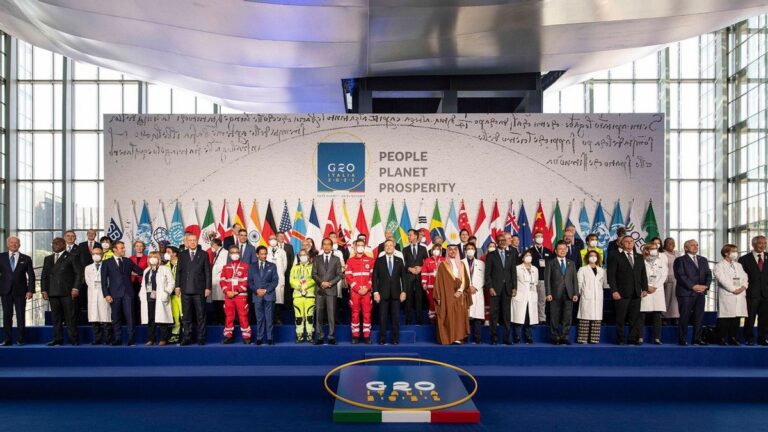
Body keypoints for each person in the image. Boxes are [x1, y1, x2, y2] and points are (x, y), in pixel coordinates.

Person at [101, 240, 144, 346]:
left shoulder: (128, 261)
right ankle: (118, 338)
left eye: (124, 247)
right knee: (116, 317)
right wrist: (106, 294)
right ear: (114, 249)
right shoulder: (106, 262)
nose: (124, 249)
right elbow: (103, 280)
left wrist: (154, 266)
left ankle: (131, 338)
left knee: (130, 317)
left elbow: (140, 271)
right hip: (114, 294)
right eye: (122, 248)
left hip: (128, 293)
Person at [41, 237, 83, 346]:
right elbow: (44, 275)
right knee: (55, 318)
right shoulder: (48, 258)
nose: (55, 245)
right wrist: (44, 290)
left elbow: (79, 274)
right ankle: (57, 339)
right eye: (53, 243)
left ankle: (73, 339)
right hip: (52, 292)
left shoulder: (72, 257)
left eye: (57, 243)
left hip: (67, 292)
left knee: (70, 317)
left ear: (64, 245)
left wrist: (75, 288)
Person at [608, 235, 648, 345]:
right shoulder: (615, 256)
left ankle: (632, 339)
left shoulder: (639, 257)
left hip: (636, 292)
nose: (629, 243)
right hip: (621, 293)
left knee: (634, 318)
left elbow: (643, 274)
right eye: (626, 241)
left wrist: (645, 288)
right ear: (622, 244)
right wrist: (614, 291)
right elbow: (611, 276)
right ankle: (620, 339)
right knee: (620, 318)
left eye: (631, 241)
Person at [175, 233, 212, 346]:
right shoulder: (182, 255)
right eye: (190, 240)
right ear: (186, 242)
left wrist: (208, 287)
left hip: (199, 290)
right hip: (185, 289)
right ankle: (186, 337)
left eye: (194, 240)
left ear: (197, 241)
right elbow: (178, 272)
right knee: (186, 316)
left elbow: (207, 272)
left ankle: (201, 338)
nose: (192, 242)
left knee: (201, 315)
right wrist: (177, 286)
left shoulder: (204, 254)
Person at [673, 239, 712, 346]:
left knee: (699, 317)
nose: (695, 247)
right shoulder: (680, 260)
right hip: (686, 293)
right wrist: (693, 286)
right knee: (684, 317)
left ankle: (697, 339)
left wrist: (706, 286)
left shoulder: (703, 260)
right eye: (692, 245)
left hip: (701, 293)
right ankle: (682, 339)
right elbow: (680, 276)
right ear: (686, 248)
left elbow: (709, 274)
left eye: (697, 245)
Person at [434, 245, 472, 345]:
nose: (452, 251)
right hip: (447, 295)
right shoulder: (442, 265)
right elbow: (438, 281)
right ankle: (450, 337)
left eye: (455, 250)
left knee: (459, 316)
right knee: (449, 316)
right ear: (447, 252)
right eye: (450, 250)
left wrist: (460, 290)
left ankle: (458, 337)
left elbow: (465, 279)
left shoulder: (462, 264)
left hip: (460, 295)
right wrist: (438, 296)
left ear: (457, 251)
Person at [0, 236, 35, 345]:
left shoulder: (26, 258)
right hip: (5, 291)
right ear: (7, 244)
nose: (14, 244)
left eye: (16, 243)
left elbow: (31, 276)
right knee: (7, 316)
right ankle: (7, 339)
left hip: (21, 292)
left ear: (19, 245)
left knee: (20, 316)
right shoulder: (1, 257)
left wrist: (30, 290)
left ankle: (21, 339)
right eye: (11, 242)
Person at [484, 234, 517, 345]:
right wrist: (490, 287)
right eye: (500, 240)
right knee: (494, 314)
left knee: (507, 315)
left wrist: (514, 287)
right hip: (495, 289)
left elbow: (513, 272)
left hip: (507, 289)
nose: (502, 242)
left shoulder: (511, 254)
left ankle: (507, 338)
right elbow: (487, 274)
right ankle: (494, 338)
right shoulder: (491, 255)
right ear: (497, 242)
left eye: (504, 240)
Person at [544, 241, 579, 345]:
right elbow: (547, 279)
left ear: (567, 250)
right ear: (556, 251)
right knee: (554, 316)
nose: (562, 251)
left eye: (564, 249)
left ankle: (564, 336)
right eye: (560, 249)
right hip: (555, 294)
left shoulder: (571, 263)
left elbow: (574, 279)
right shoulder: (551, 263)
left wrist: (576, 293)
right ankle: (555, 336)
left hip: (569, 293)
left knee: (567, 317)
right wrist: (548, 293)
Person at [373, 240, 406, 345]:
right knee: (382, 318)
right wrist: (375, 292)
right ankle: (382, 339)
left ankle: (395, 339)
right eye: (386, 245)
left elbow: (404, 278)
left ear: (394, 247)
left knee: (395, 318)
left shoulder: (399, 260)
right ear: (384, 247)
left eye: (391, 245)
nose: (388, 247)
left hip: (396, 294)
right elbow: (374, 277)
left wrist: (404, 291)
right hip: (382, 294)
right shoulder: (379, 260)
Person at [714, 244, 748, 345]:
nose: (736, 253)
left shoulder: (738, 265)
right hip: (728, 294)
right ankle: (722, 338)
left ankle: (733, 338)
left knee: (736, 317)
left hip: (740, 293)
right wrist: (733, 290)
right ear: (726, 253)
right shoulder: (719, 266)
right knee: (725, 318)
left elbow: (745, 277)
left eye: (736, 251)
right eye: (733, 251)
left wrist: (743, 287)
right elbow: (722, 280)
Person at [139, 251, 174, 346]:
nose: (152, 259)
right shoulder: (146, 270)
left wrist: (167, 292)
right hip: (149, 297)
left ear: (158, 259)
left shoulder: (165, 269)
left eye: (155, 257)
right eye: (150, 257)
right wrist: (141, 294)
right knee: (151, 319)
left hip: (161, 297)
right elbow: (143, 284)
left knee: (162, 319)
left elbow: (171, 282)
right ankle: (151, 339)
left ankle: (163, 339)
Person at [312, 238, 343, 345]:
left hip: (331, 290)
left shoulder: (336, 259)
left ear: (331, 246)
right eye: (324, 244)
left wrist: (329, 283)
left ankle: (331, 337)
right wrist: (321, 283)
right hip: (319, 290)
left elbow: (339, 275)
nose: (326, 246)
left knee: (331, 315)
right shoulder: (317, 259)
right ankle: (319, 337)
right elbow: (313, 274)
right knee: (318, 315)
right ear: (322, 246)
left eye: (328, 244)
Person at [738, 235, 768, 345]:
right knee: (750, 318)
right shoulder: (744, 259)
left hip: (766, 295)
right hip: (751, 294)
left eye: (765, 243)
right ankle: (749, 338)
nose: (763, 245)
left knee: (765, 319)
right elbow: (741, 277)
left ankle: (763, 338)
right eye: (760, 243)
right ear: (753, 244)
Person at [219, 245, 252, 345]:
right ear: (229, 254)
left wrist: (236, 291)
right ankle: (228, 336)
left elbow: (246, 281)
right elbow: (222, 281)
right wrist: (227, 292)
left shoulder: (246, 266)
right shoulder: (225, 267)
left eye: (237, 252)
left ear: (240, 254)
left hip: (241, 296)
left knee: (243, 316)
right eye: (233, 252)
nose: (235, 254)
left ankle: (246, 336)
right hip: (228, 296)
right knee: (229, 316)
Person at [345, 239, 374, 344]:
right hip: (355, 293)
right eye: (358, 245)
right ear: (355, 247)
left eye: (362, 245)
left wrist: (367, 288)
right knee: (355, 314)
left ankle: (367, 336)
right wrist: (357, 289)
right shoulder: (350, 261)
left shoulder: (371, 260)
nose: (360, 247)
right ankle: (355, 336)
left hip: (367, 292)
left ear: (364, 246)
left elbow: (373, 277)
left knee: (367, 314)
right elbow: (348, 276)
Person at [249, 245, 279, 345]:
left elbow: (275, 281)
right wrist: (256, 290)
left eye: (265, 254)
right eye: (262, 254)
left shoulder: (272, 266)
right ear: (257, 255)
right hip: (257, 295)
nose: (264, 256)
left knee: (269, 318)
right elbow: (250, 282)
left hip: (269, 295)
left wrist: (266, 290)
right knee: (259, 318)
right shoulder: (252, 266)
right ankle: (259, 338)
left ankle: (270, 338)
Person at [640, 243, 668, 344]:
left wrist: (655, 286)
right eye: (652, 248)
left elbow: (664, 275)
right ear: (646, 250)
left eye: (656, 248)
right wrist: (646, 287)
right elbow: (638, 276)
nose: (655, 250)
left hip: (657, 289)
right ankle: (640, 337)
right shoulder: (641, 261)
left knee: (657, 314)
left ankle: (657, 338)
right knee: (642, 314)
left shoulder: (661, 261)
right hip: (645, 289)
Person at [84, 245, 111, 345]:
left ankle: (107, 339)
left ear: (102, 255)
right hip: (93, 294)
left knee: (105, 317)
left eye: (99, 254)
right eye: (94, 253)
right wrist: (96, 286)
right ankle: (97, 338)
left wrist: (103, 287)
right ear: (92, 255)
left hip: (104, 293)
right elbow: (88, 281)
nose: (96, 255)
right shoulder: (88, 268)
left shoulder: (107, 266)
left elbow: (109, 280)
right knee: (94, 317)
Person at [577, 250, 605, 344]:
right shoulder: (582, 269)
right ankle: (582, 339)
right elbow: (579, 283)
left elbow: (602, 283)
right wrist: (580, 294)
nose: (593, 257)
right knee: (585, 317)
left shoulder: (601, 270)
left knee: (597, 318)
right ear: (587, 258)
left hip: (598, 297)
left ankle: (594, 339)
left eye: (595, 256)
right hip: (586, 296)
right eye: (591, 256)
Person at [512, 249, 539, 344]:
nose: (528, 257)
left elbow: (536, 282)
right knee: (519, 317)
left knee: (529, 317)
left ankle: (529, 336)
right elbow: (513, 282)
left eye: (530, 255)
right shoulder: (517, 268)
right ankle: (517, 336)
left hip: (531, 296)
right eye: (526, 255)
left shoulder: (535, 269)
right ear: (522, 258)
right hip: (520, 295)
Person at [402, 229, 428, 325]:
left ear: (416, 236)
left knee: (419, 299)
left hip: (420, 277)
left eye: (410, 235)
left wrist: (421, 268)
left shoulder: (423, 249)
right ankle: (408, 321)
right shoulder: (405, 249)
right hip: (409, 277)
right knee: (408, 299)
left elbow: (427, 263)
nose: (408, 236)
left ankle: (419, 321)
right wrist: (409, 268)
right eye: (408, 235)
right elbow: (402, 264)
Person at [290, 249, 315, 343]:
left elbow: (314, 279)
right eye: (301, 255)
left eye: (304, 254)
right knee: (299, 317)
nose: (303, 256)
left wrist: (306, 286)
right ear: (299, 257)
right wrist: (299, 287)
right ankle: (299, 335)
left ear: (308, 256)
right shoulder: (295, 267)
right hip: (298, 295)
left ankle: (309, 335)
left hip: (310, 295)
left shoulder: (313, 266)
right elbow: (291, 280)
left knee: (309, 316)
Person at [528, 230, 553, 324]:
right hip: (532, 280)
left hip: (543, 279)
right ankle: (533, 318)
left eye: (541, 236)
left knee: (542, 300)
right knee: (533, 300)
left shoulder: (548, 252)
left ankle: (542, 318)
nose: (539, 238)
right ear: (534, 239)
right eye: (537, 236)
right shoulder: (529, 252)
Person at [462, 243, 485, 344]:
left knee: (477, 318)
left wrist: (475, 287)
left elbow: (484, 277)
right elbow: (459, 278)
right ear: (465, 251)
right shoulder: (461, 263)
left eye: (472, 248)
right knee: (465, 317)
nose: (470, 250)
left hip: (477, 291)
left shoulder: (481, 263)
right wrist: (467, 288)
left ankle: (477, 339)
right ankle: (464, 338)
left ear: (475, 250)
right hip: (465, 291)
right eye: (468, 248)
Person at [266, 235, 288, 326]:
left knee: (279, 300)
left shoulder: (282, 252)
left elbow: (285, 266)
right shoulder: (265, 250)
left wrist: (280, 274)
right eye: (271, 239)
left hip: (279, 278)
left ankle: (278, 318)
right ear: (268, 240)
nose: (273, 240)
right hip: (268, 279)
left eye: (274, 239)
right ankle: (269, 319)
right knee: (269, 300)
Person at [421, 243, 446, 322]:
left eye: (438, 249)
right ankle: (432, 318)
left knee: (441, 302)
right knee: (432, 302)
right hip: (430, 286)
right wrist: (424, 284)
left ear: (440, 251)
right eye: (434, 249)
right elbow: (424, 273)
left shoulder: (444, 260)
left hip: (441, 286)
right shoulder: (427, 260)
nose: (436, 251)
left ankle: (441, 318)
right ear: (432, 251)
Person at [164, 246, 182, 343]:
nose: (166, 254)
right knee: (174, 316)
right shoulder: (165, 266)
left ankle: (186, 334)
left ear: (174, 253)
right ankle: (175, 334)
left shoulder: (182, 263)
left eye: (168, 252)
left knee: (183, 315)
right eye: (166, 252)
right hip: (171, 295)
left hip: (181, 293)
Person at [209, 238, 228, 325]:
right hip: (216, 280)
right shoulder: (217, 253)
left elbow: (222, 265)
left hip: (220, 280)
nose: (211, 247)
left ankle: (221, 320)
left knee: (220, 302)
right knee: (217, 301)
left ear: (215, 244)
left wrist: (214, 270)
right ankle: (218, 319)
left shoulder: (224, 252)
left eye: (212, 245)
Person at [276, 231, 295, 323]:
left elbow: (291, 260)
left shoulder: (289, 247)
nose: (282, 237)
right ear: (276, 237)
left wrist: (291, 273)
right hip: (276, 275)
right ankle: (278, 312)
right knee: (278, 293)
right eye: (280, 236)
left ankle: (287, 308)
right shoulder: (273, 247)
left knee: (287, 292)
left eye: (283, 236)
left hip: (287, 274)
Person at [661, 237, 681, 323]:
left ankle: (676, 317)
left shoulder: (678, 253)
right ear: (665, 245)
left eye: (672, 243)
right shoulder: (663, 254)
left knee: (676, 300)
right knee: (668, 299)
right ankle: (665, 317)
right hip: (668, 280)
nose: (671, 244)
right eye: (669, 243)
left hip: (679, 280)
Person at [130, 240, 148, 326]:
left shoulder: (147, 258)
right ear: (134, 247)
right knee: (133, 301)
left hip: (143, 283)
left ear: (143, 247)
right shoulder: (130, 258)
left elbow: (148, 270)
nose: (139, 248)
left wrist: (139, 274)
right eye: (137, 246)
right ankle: (134, 320)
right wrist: (133, 273)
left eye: (141, 246)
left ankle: (142, 319)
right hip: (132, 283)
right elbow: (127, 270)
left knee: (142, 301)